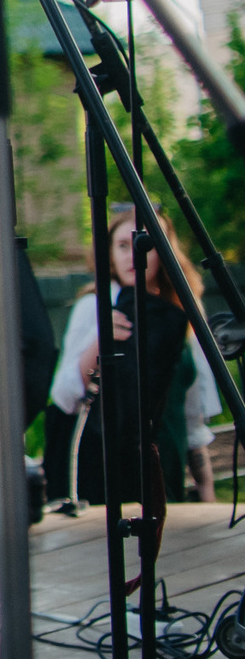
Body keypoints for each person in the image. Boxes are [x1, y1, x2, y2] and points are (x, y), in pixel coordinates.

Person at [48, 206, 223, 507]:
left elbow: (192, 419)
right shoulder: (94, 306)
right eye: (122, 246)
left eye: (144, 244)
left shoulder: (181, 312)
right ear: (110, 252)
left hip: (163, 475)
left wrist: (207, 493)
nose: (133, 255)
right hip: (104, 477)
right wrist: (98, 341)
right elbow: (64, 397)